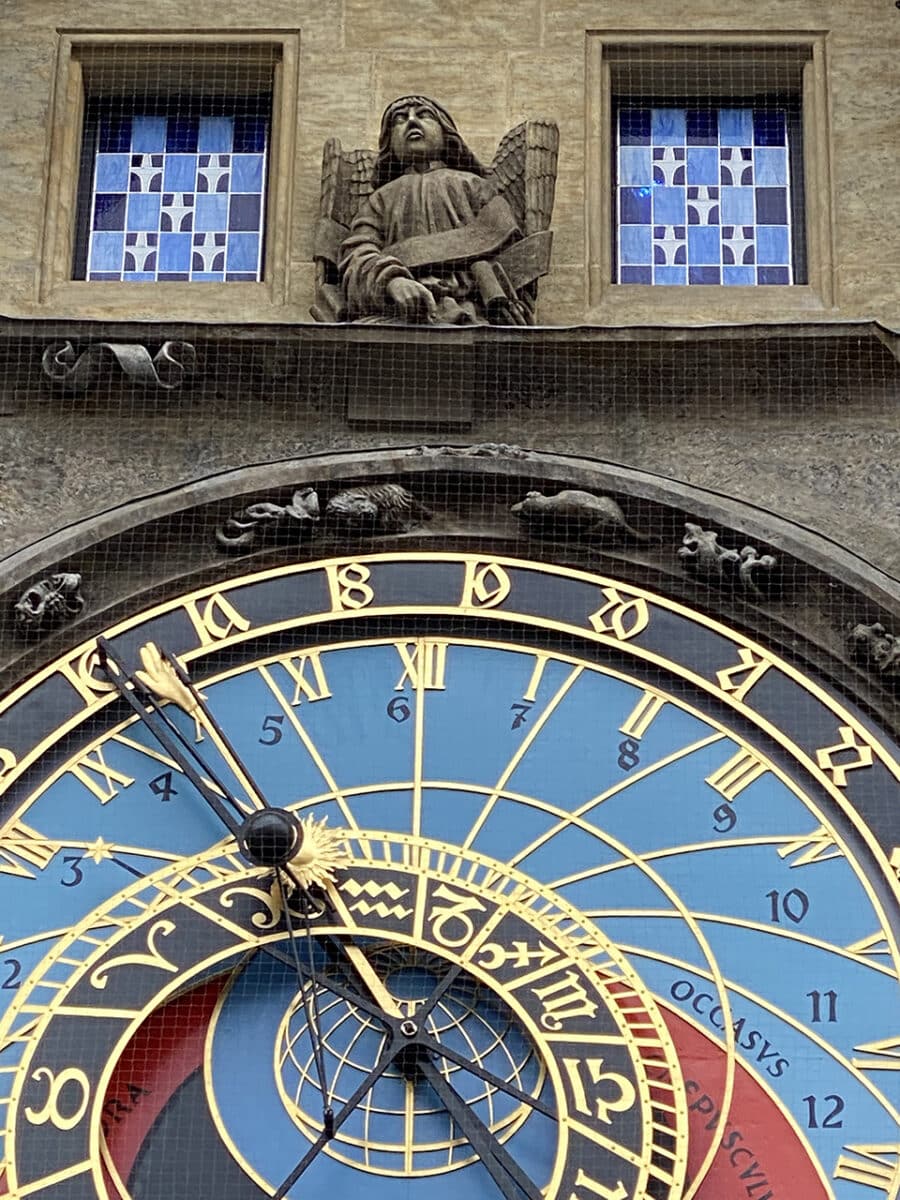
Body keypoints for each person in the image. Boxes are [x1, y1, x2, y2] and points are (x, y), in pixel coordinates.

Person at [339, 96, 523, 325]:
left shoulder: (474, 186)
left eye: (424, 114)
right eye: (399, 119)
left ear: (446, 134)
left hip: (469, 313)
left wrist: (495, 293)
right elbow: (357, 254)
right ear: (390, 144)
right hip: (398, 316)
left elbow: (508, 245)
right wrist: (391, 281)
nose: (412, 122)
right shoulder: (380, 199)